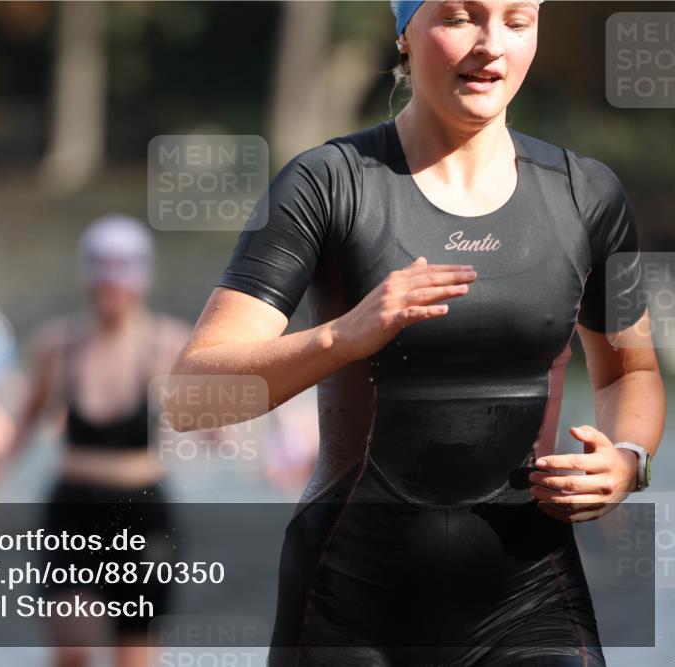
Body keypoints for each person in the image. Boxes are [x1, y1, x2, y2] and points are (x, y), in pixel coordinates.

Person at [166, 1, 665, 665]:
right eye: (461, 17)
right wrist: (343, 335)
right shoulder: (325, 184)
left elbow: (631, 370)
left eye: (517, 22)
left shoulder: (590, 196)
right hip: (348, 606)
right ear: (402, 29)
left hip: (529, 600)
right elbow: (191, 393)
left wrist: (629, 459)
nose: (491, 45)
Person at [7, 214, 192, 667]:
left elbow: (218, 419)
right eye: (103, 280)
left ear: (140, 280)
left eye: (121, 279)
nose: (111, 292)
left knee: (133, 655)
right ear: (88, 280)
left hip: (143, 511)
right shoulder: (58, 345)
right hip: (74, 510)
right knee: (72, 651)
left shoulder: (169, 344)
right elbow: (26, 420)